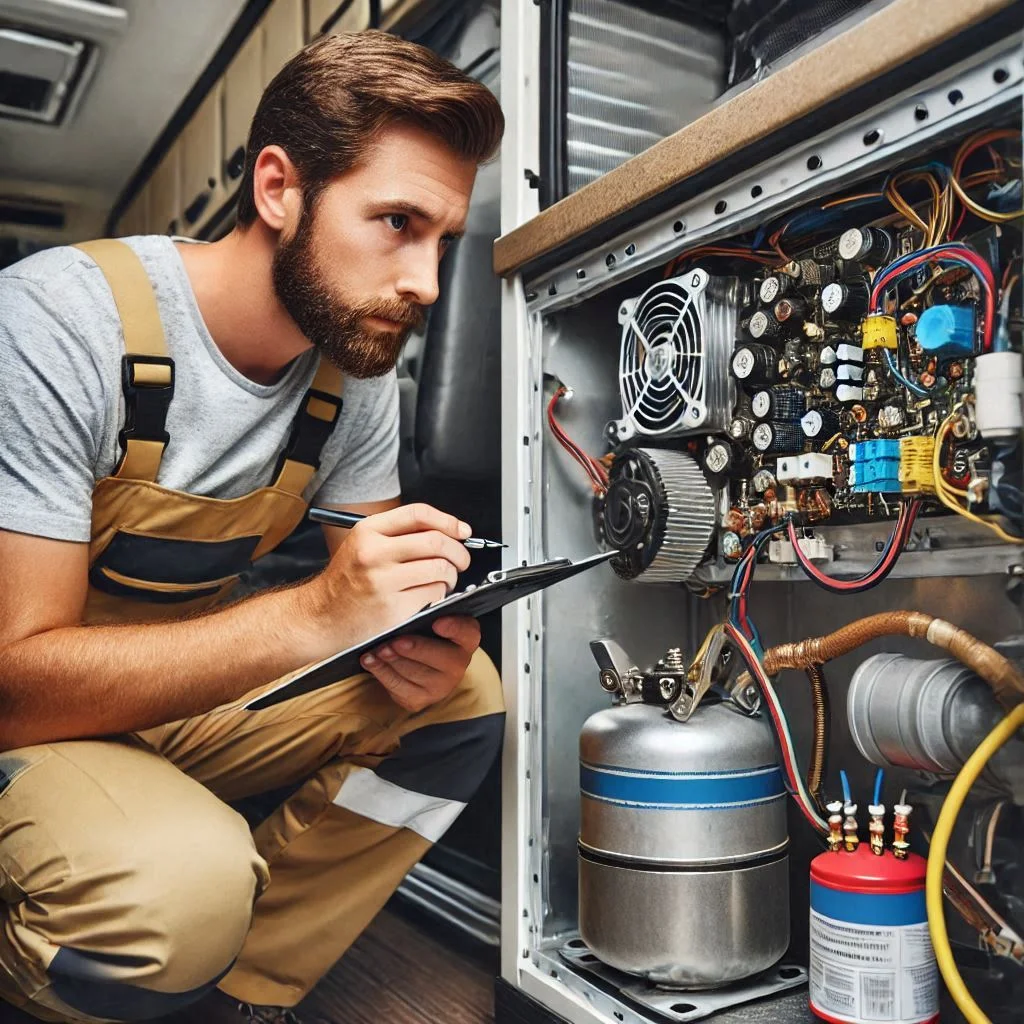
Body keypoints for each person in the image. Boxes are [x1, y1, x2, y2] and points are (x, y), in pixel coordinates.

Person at [0, 29, 505, 1024]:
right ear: (278, 189)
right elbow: (14, 686)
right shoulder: (56, 323)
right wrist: (317, 616)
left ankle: (243, 992)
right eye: (395, 222)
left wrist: (419, 631)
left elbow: (369, 603)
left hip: (179, 698)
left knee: (461, 699)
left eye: (442, 240)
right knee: (171, 897)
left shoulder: (348, 378)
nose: (428, 285)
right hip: (31, 721)